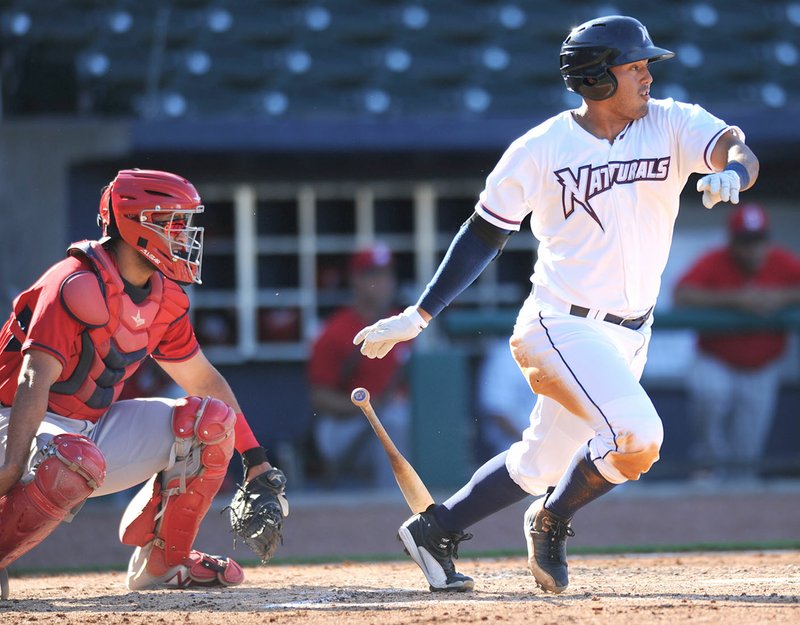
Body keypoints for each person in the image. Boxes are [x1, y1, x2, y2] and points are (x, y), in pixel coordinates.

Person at [354, 15, 759, 594]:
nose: (647, 75)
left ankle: (435, 529)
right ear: (596, 79)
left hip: (629, 334)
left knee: (539, 465)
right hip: (559, 326)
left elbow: (736, 149)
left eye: (646, 64)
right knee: (639, 436)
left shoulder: (671, 122)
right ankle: (552, 519)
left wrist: (735, 174)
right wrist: (419, 314)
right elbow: (483, 233)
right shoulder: (541, 148)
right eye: (634, 65)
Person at [0, 169, 287, 599]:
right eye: (174, 224)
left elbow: (203, 379)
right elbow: (32, 378)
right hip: (13, 421)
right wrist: (9, 467)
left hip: (83, 434)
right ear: (136, 223)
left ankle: (164, 564)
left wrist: (256, 459)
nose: (184, 236)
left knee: (210, 421)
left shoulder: (164, 298)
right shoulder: (73, 283)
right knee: (71, 459)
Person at [674, 203, 800, 482]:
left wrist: (781, 297)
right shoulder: (715, 260)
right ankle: (709, 467)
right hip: (716, 359)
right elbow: (682, 295)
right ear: (732, 241)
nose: (753, 249)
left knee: (747, 450)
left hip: (762, 367)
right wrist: (737, 299)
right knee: (711, 394)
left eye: (758, 241)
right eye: (746, 241)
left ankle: (739, 500)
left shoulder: (780, 261)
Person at [307, 243, 411, 488]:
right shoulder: (335, 330)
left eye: (386, 274)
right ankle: (392, 506)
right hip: (345, 425)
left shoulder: (407, 324)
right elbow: (319, 398)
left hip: (401, 418)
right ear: (355, 280)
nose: (382, 282)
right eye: (372, 275)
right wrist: (369, 407)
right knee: (394, 422)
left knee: (408, 421)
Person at [476, 338, 537, 460]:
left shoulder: (564, 352)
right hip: (514, 456)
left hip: (555, 454)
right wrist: (536, 444)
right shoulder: (505, 354)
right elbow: (498, 413)